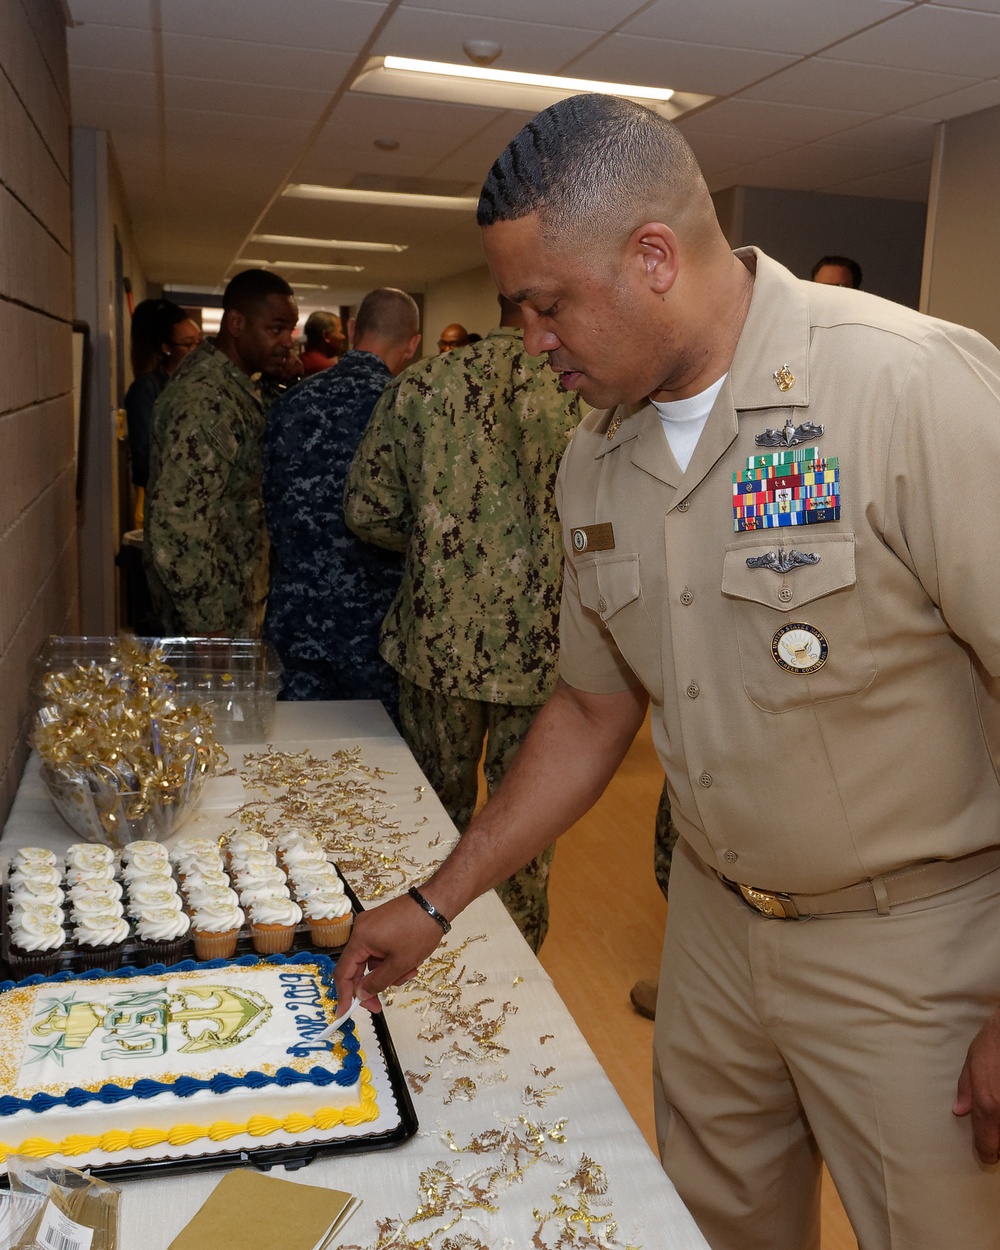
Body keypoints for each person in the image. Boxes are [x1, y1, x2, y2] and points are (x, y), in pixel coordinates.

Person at [335, 94, 1000, 1250]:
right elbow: (592, 708)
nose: (531, 340)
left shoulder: (905, 387)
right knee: (712, 1223)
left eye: (547, 305)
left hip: (917, 954)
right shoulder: (595, 460)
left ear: (652, 258)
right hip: (712, 929)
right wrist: (440, 900)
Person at [344, 295, 581, 952]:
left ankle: (417, 972)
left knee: (427, 817)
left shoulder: (422, 382)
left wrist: (437, 545)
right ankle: (513, 977)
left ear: (500, 298)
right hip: (547, 650)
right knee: (525, 836)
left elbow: (367, 509)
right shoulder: (584, 387)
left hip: (437, 644)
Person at [263, 288, 422, 718]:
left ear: (352, 330)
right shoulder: (411, 413)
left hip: (295, 623)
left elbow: (267, 514)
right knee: (377, 773)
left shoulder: (288, 404)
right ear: (413, 344)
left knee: (294, 761)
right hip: (377, 632)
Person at [144, 268, 298, 637]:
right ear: (237, 323)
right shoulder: (207, 401)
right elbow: (177, 525)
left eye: (290, 331)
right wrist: (208, 630)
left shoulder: (233, 386)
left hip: (233, 602)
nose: (287, 342)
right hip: (213, 620)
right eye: (275, 329)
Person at [124, 298, 201, 496]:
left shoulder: (197, 385)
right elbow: (143, 461)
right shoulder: (146, 389)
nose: (196, 352)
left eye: (198, 343)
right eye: (187, 344)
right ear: (166, 348)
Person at [300, 310, 346, 375]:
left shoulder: (301, 360)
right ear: (326, 336)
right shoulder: (327, 369)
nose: (343, 337)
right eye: (340, 332)